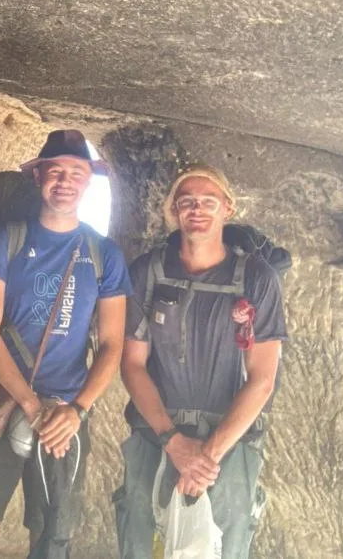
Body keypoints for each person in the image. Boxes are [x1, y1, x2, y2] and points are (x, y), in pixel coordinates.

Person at [0, 130, 132, 559]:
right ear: (38, 177)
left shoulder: (104, 253)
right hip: (1, 399)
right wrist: (31, 404)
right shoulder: (7, 240)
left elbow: (112, 345)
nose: (65, 181)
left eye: (77, 173)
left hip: (66, 413)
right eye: (56, 171)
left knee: (50, 538)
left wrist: (77, 410)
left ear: (88, 182)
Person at [114, 165, 287, 559]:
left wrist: (207, 456)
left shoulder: (257, 279)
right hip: (155, 430)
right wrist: (172, 442)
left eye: (209, 202)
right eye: (187, 202)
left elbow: (262, 378)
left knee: (229, 536)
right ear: (173, 210)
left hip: (228, 437)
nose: (198, 210)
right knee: (139, 532)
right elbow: (133, 364)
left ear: (228, 208)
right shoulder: (148, 272)